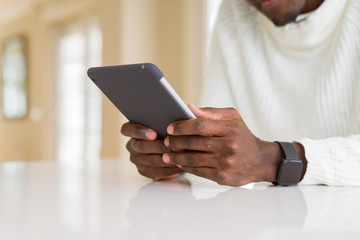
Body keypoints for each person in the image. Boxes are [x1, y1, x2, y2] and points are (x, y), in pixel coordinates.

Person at [121, 0, 360, 187]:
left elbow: (257, 161)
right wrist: (180, 155)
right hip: (263, 217)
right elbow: (216, 134)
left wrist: (272, 160)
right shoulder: (236, 11)